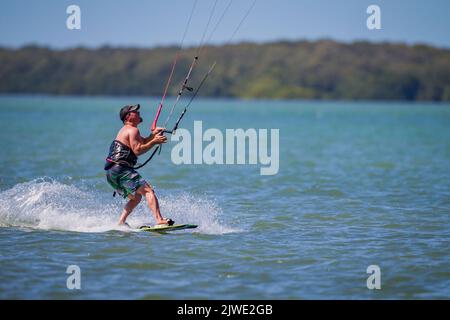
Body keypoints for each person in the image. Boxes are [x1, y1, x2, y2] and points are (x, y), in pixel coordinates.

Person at [104, 104, 173, 227]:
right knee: (148, 191)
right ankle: (159, 219)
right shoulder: (133, 130)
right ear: (128, 117)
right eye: (134, 111)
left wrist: (152, 136)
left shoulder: (127, 130)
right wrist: (154, 141)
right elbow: (137, 150)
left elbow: (142, 142)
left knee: (136, 197)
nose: (138, 112)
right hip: (121, 169)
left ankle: (121, 222)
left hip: (111, 172)